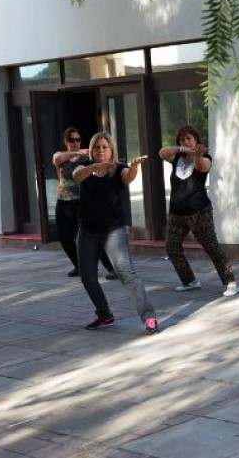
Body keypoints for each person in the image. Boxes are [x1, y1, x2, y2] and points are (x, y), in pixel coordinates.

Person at [74, 132, 159, 334]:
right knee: (87, 276)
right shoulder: (85, 166)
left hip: (113, 231)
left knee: (126, 273)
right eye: (97, 147)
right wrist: (95, 167)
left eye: (105, 147)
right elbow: (77, 176)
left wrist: (135, 167)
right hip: (88, 232)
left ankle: (149, 317)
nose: (101, 150)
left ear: (111, 149)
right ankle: (104, 314)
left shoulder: (118, 168)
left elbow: (128, 177)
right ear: (92, 150)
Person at [161, 125, 239, 297]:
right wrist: (180, 148)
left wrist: (197, 154)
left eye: (189, 138)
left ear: (196, 140)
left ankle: (231, 283)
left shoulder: (205, 157)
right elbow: (162, 152)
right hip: (176, 214)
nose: (186, 141)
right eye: (182, 139)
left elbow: (203, 168)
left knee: (211, 246)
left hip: (199, 212)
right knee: (171, 247)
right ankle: (189, 280)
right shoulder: (176, 158)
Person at [52, 127, 116, 279]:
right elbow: (57, 160)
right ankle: (79, 266)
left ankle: (112, 268)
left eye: (78, 140)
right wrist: (77, 152)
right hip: (64, 202)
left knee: (92, 236)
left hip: (82, 202)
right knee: (64, 236)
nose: (75, 143)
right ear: (66, 141)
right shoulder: (60, 156)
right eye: (71, 140)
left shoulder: (86, 160)